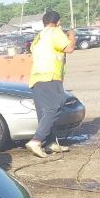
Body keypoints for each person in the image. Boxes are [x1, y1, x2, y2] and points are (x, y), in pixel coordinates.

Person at [25, 10, 76, 158]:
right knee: (54, 109)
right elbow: (69, 48)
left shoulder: (39, 36)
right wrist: (72, 36)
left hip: (36, 78)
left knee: (43, 113)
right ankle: (36, 140)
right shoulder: (55, 32)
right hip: (50, 76)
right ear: (58, 22)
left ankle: (50, 142)